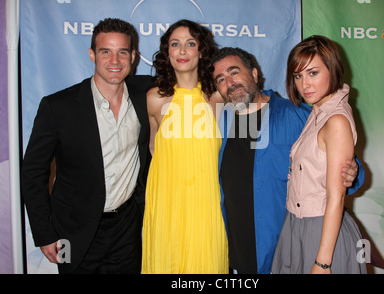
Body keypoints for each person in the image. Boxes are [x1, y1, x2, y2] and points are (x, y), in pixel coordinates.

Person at [210, 46, 364, 274]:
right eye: (220, 79)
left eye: (234, 72)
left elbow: (343, 163)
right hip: (237, 254)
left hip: (285, 250)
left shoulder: (295, 114)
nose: (229, 82)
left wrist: (354, 173)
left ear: (254, 73)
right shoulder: (221, 122)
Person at [21, 18, 153, 274]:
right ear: (92, 54)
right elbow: (33, 172)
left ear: (133, 56)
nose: (114, 61)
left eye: (122, 52)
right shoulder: (58, 106)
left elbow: (187, 83)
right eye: (106, 51)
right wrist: (44, 232)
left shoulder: (145, 93)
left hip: (127, 230)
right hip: (72, 231)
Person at [271, 35, 367, 274]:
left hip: (321, 232)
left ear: (332, 70)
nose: (305, 85)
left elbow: (336, 197)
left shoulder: (336, 120)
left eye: (313, 73)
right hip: (298, 226)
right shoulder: (318, 112)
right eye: (298, 76)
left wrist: (323, 263)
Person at [142, 19, 228, 273]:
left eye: (190, 44)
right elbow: (153, 149)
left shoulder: (219, 97)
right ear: (166, 53)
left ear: (201, 52)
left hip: (207, 204)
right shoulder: (154, 99)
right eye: (175, 44)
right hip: (167, 204)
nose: (182, 51)